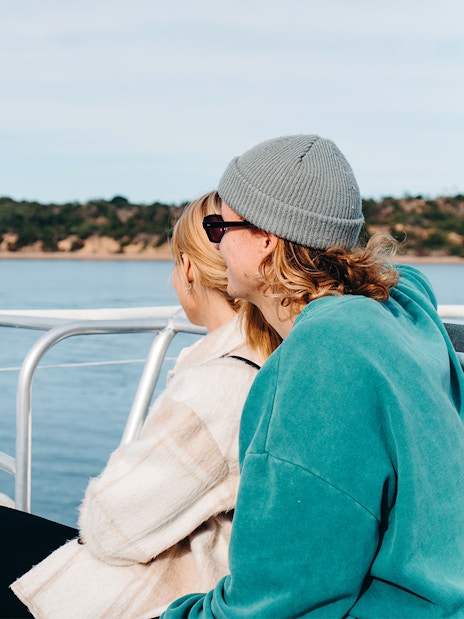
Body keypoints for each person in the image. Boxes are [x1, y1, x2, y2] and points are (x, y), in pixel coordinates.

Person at [158, 135, 464, 617]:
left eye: (219, 226)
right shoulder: (399, 310)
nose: (215, 243)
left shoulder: (323, 360)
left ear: (266, 239)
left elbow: (280, 602)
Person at [4, 191, 278, 618]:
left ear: (188, 269)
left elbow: (109, 528)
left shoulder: (221, 381)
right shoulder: (271, 356)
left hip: (162, 593)